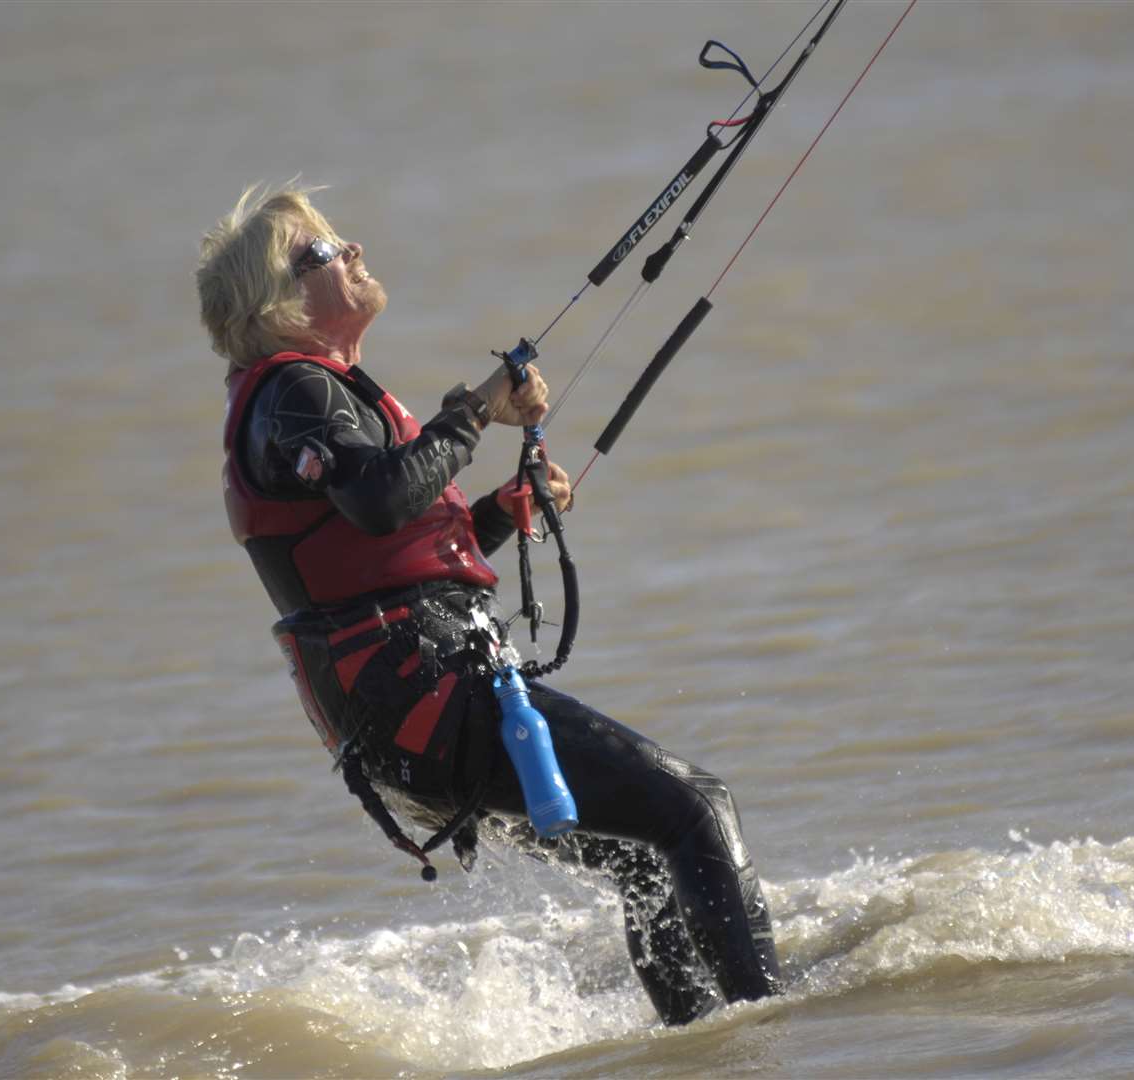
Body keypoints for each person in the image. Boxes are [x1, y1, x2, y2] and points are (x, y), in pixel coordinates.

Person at [195, 182, 780, 1025]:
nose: (352, 250)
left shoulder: (307, 395)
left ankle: (708, 1049)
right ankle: (779, 1031)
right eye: (322, 251)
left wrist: (505, 511)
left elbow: (385, 552)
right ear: (277, 301)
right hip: (423, 703)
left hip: (408, 716)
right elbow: (380, 499)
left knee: (646, 854)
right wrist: (477, 411)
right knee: (696, 809)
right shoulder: (294, 390)